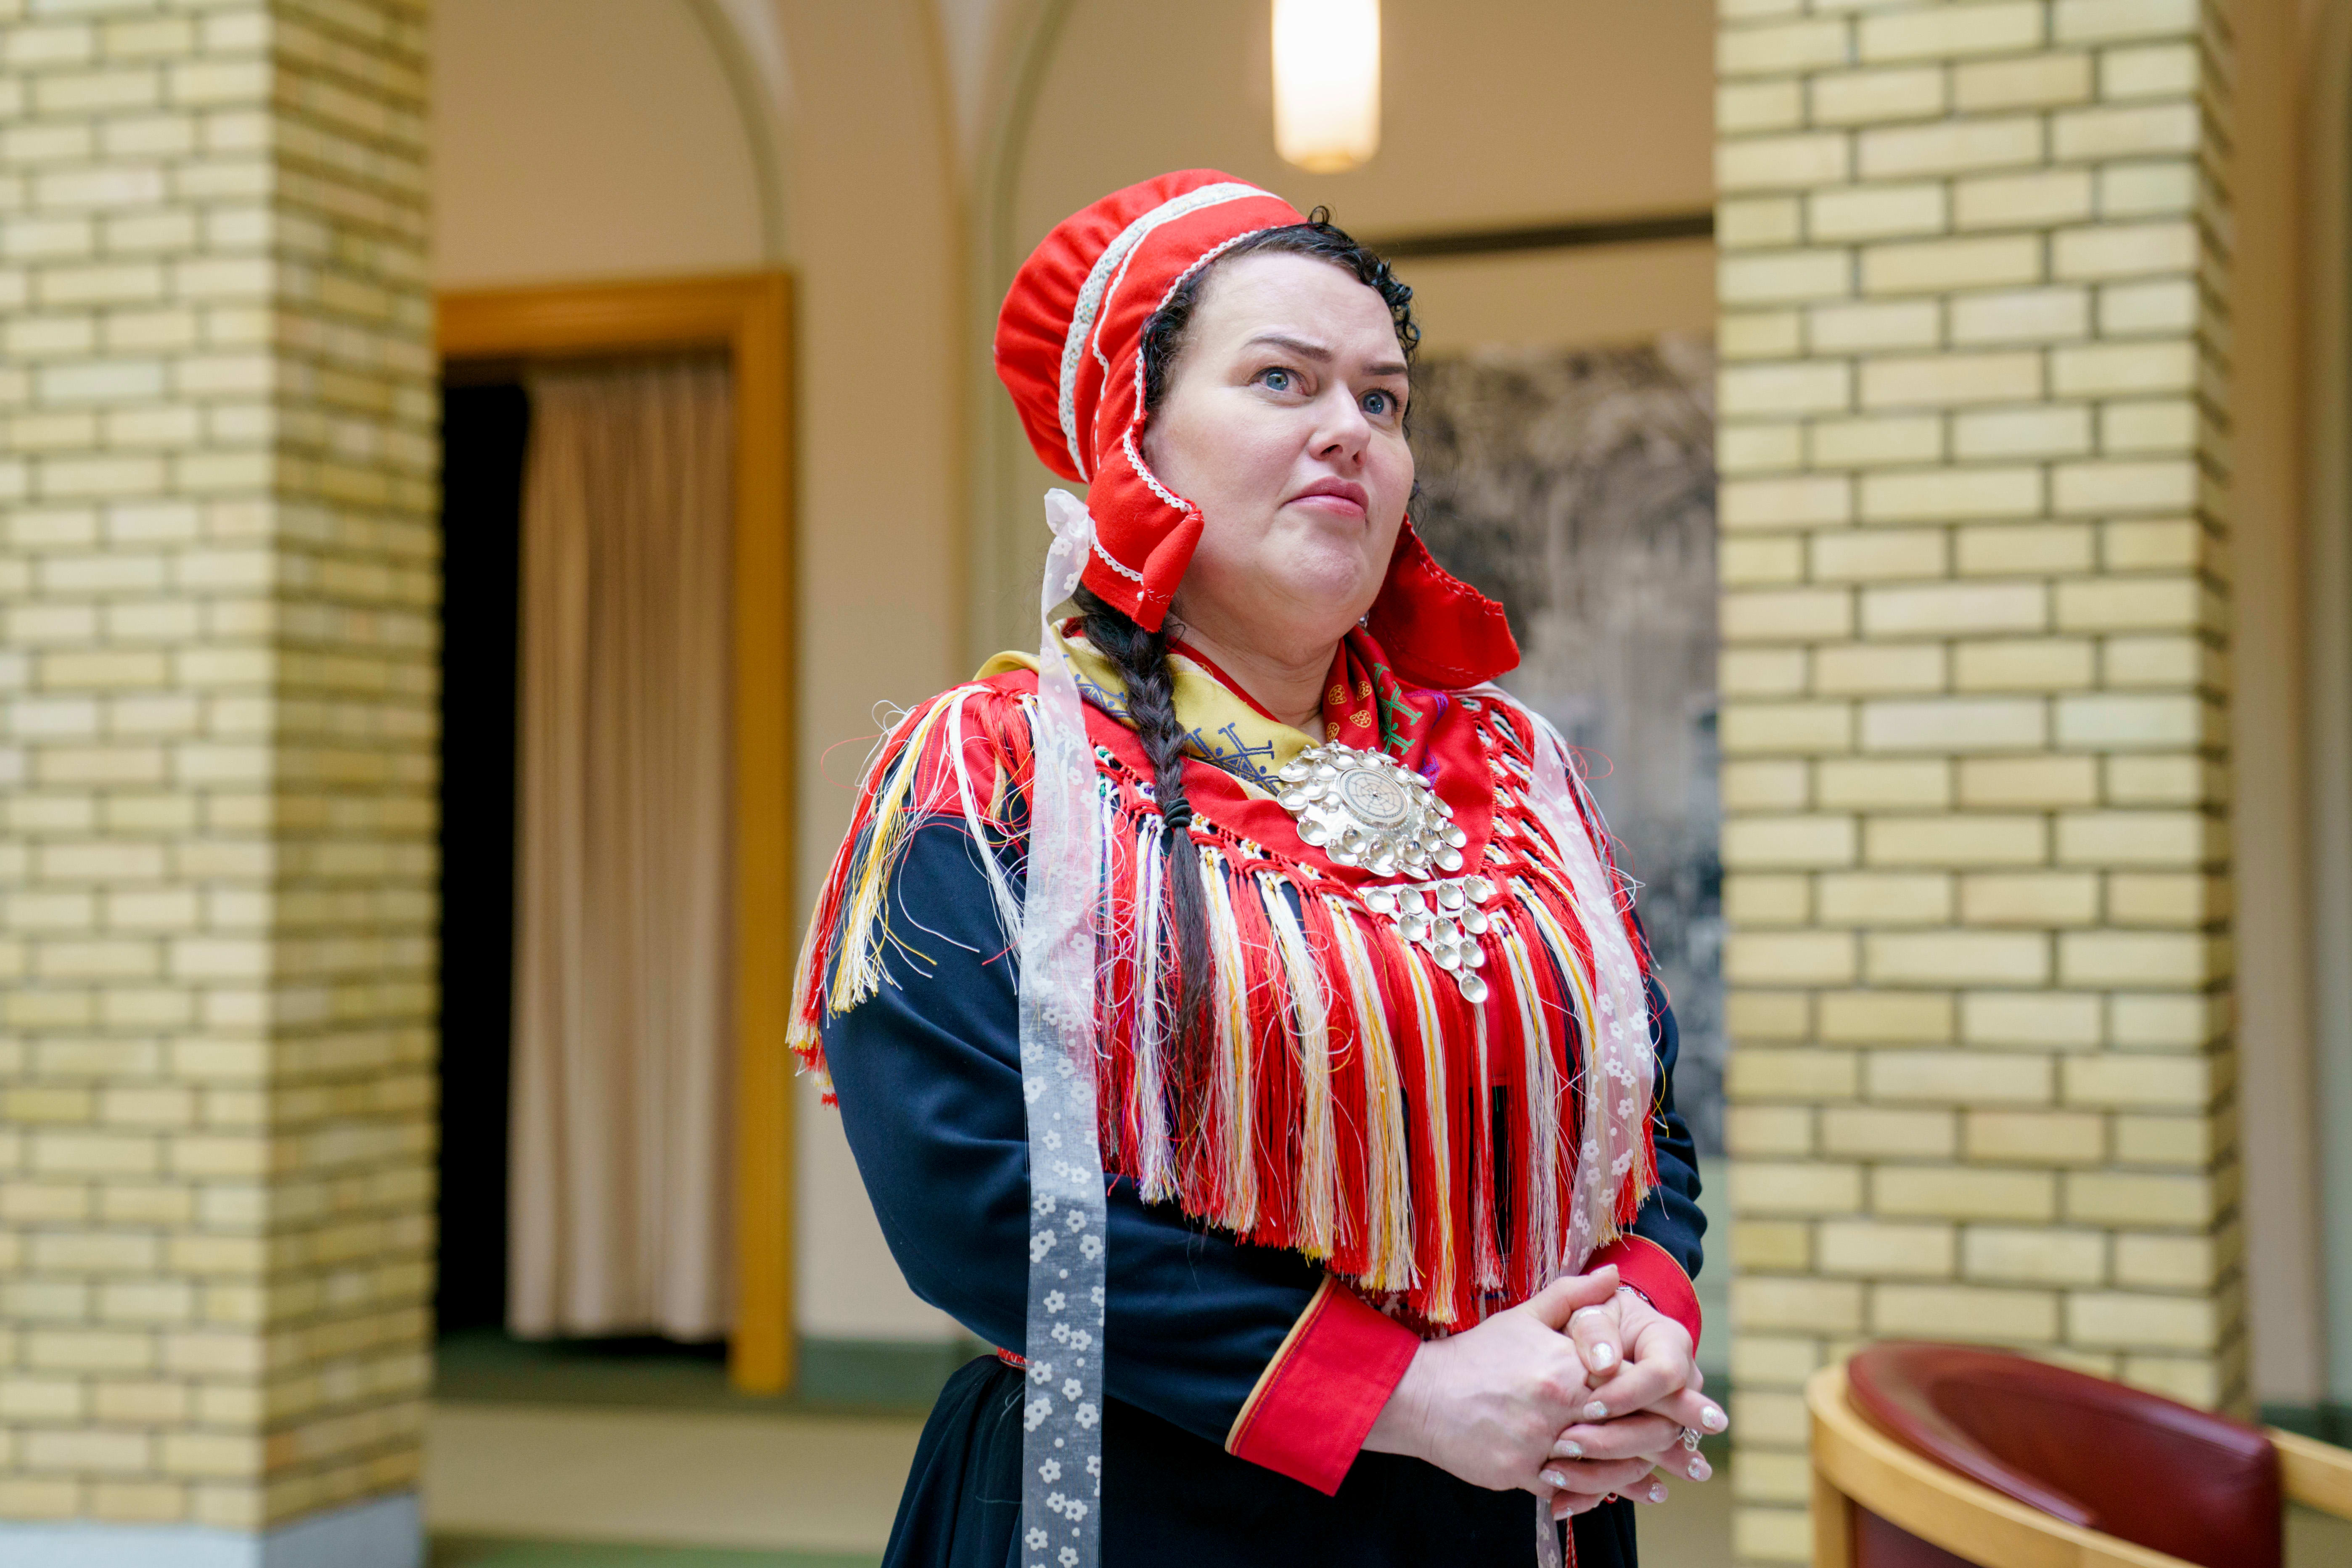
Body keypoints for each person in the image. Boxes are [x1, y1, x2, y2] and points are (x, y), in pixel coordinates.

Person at [790, 170, 1721, 1568]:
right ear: (1138, 439)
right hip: (1153, 1499)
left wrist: (1640, 1304)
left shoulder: (1512, 768)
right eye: (1282, 379)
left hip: (1509, 1496)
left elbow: (1636, 1114)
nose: (1348, 429)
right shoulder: (999, 773)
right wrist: (1404, 1394)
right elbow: (968, 1195)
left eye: (1382, 400)